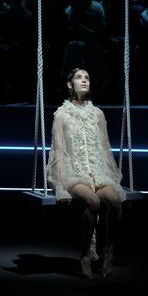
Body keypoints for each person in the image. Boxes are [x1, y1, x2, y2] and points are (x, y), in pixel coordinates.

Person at [47, 67, 124, 279]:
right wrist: (61, 186)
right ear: (69, 84)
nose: (84, 81)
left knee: (115, 201)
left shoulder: (97, 113)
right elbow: (59, 149)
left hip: (97, 171)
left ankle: (109, 249)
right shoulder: (62, 115)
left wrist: (112, 177)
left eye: (87, 77)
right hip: (73, 171)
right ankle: (85, 255)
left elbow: (104, 147)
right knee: (93, 202)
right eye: (79, 77)